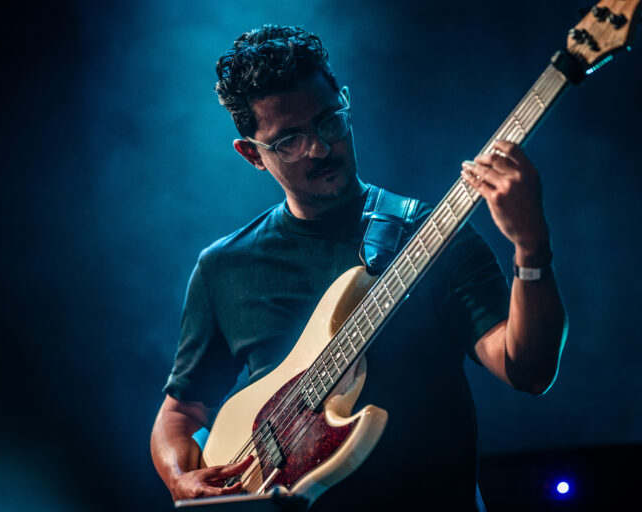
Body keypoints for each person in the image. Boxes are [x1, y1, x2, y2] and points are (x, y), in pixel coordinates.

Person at [150, 25, 567, 511]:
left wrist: (532, 247)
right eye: (289, 140)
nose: (320, 148)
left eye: (330, 121)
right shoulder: (223, 266)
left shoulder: (435, 237)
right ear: (251, 155)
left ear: (346, 103)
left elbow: (530, 371)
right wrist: (180, 478)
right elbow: (181, 411)